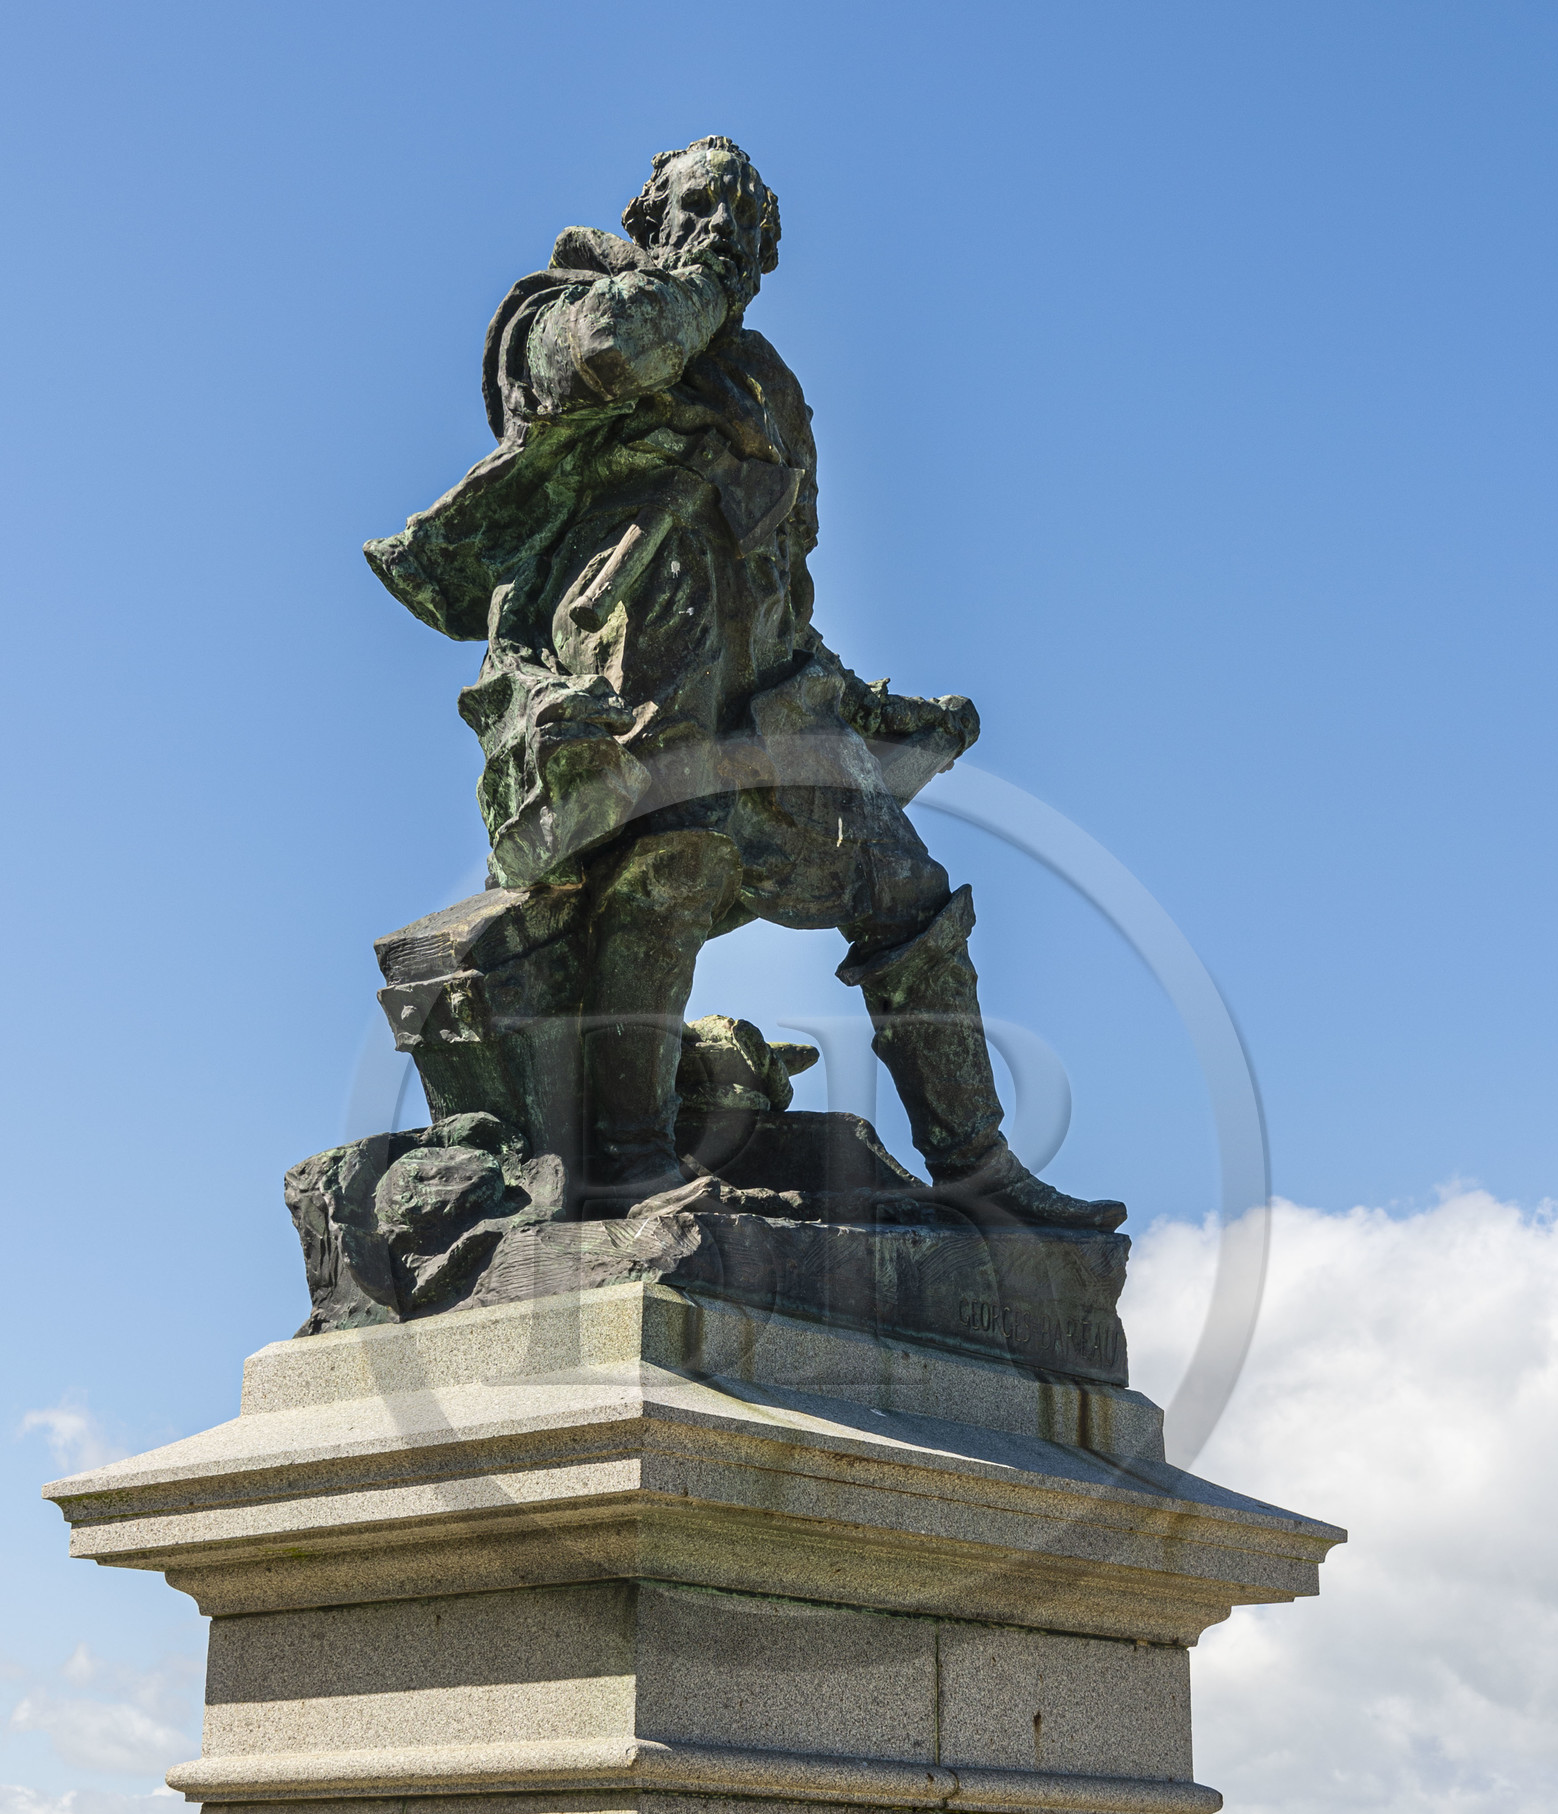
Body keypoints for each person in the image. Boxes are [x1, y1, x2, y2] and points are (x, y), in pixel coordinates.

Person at [367, 137, 1122, 1230]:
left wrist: (876, 718)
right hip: (617, 708)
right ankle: (624, 1161)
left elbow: (781, 592)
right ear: (649, 215)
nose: (726, 229)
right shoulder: (555, 312)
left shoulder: (766, 386)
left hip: (766, 711)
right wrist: (704, 281)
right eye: (701, 206)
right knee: (677, 856)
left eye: (747, 222)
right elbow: (619, 352)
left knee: (905, 886)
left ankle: (978, 1167)